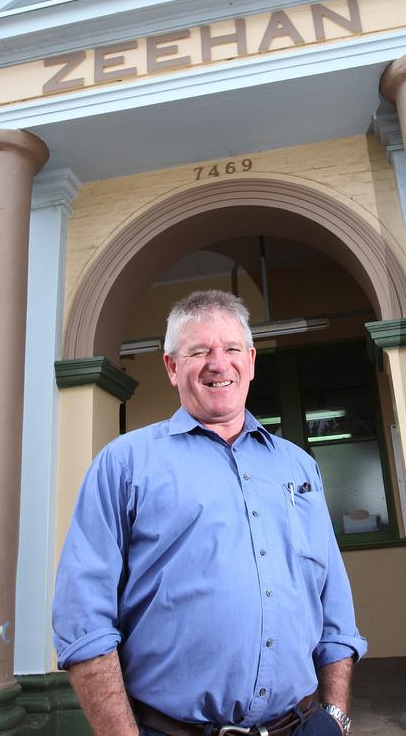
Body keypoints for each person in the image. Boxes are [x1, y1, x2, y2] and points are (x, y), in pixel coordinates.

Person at [53, 290, 367, 736]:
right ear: (171, 366)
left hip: (299, 726)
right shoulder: (124, 464)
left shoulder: (298, 465)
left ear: (251, 361)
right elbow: (81, 619)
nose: (219, 364)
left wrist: (334, 716)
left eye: (232, 349)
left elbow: (333, 599)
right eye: (199, 351)